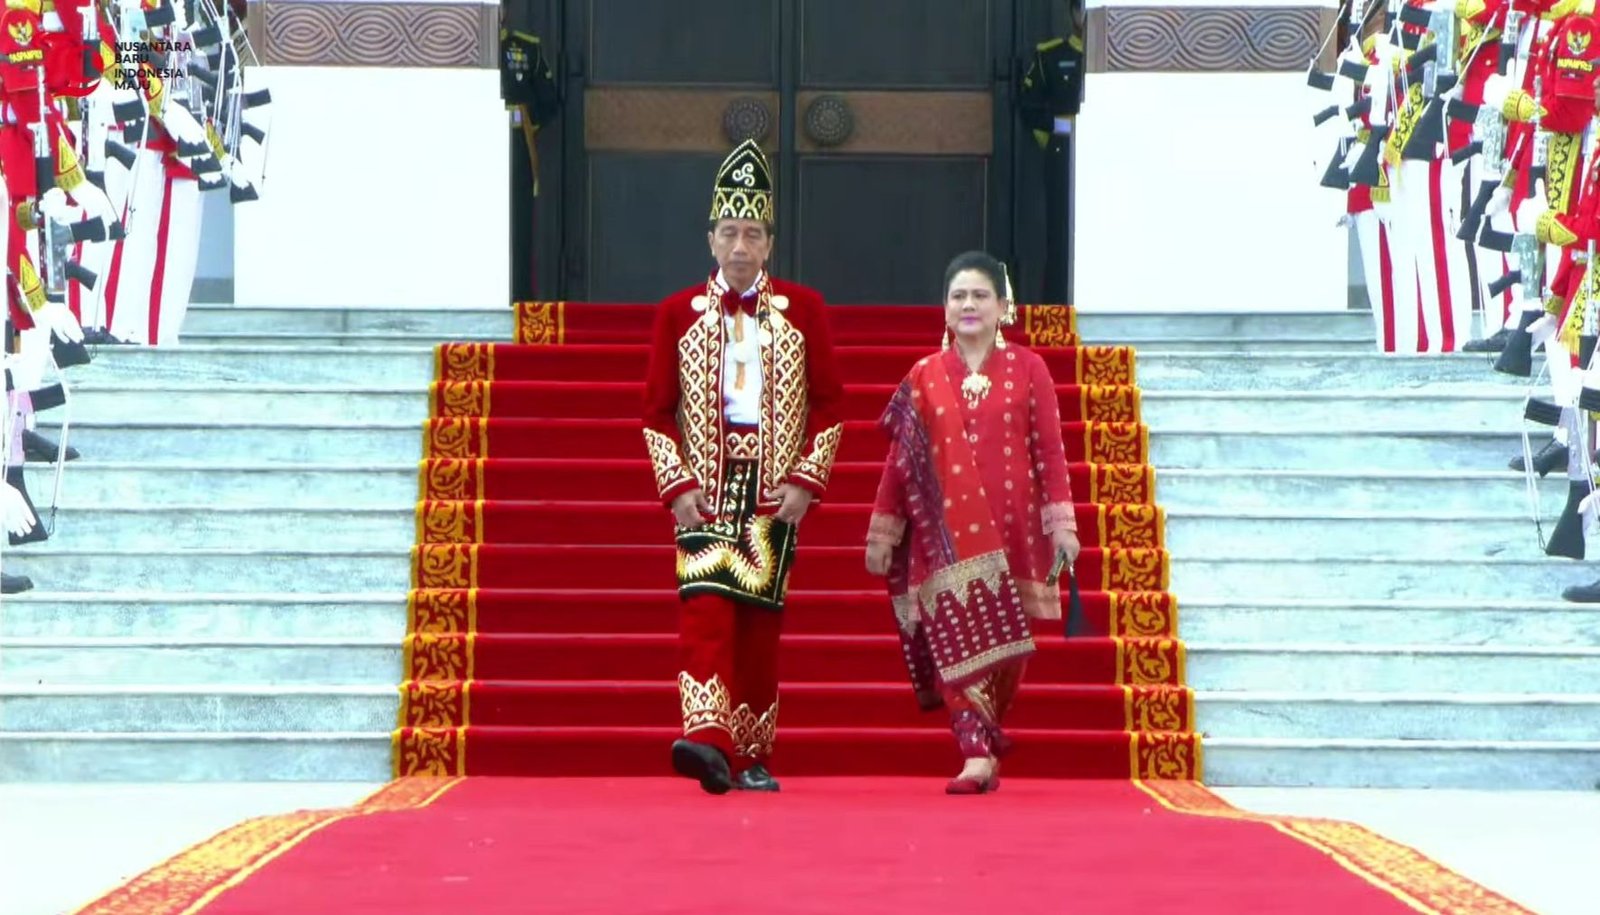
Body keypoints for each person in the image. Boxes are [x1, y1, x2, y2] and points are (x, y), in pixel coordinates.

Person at [640, 138, 844, 794]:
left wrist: (807, 483)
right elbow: (654, 412)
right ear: (709, 238)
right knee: (704, 612)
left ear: (769, 244)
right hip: (704, 491)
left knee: (759, 628)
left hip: (772, 491)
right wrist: (675, 487)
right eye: (728, 232)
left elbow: (832, 403)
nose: (738, 246)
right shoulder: (677, 313)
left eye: (751, 233)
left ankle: (752, 754)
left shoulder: (804, 310)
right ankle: (707, 744)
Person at [864, 250, 1083, 795]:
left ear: (1003, 307)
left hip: (1015, 532)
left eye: (980, 295)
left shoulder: (1031, 369)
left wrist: (1064, 526)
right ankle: (975, 753)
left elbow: (1050, 454)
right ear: (944, 307)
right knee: (952, 642)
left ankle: (987, 730)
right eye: (958, 295)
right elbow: (900, 463)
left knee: (1007, 645)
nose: (968, 304)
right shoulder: (923, 376)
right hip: (940, 538)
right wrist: (883, 531)